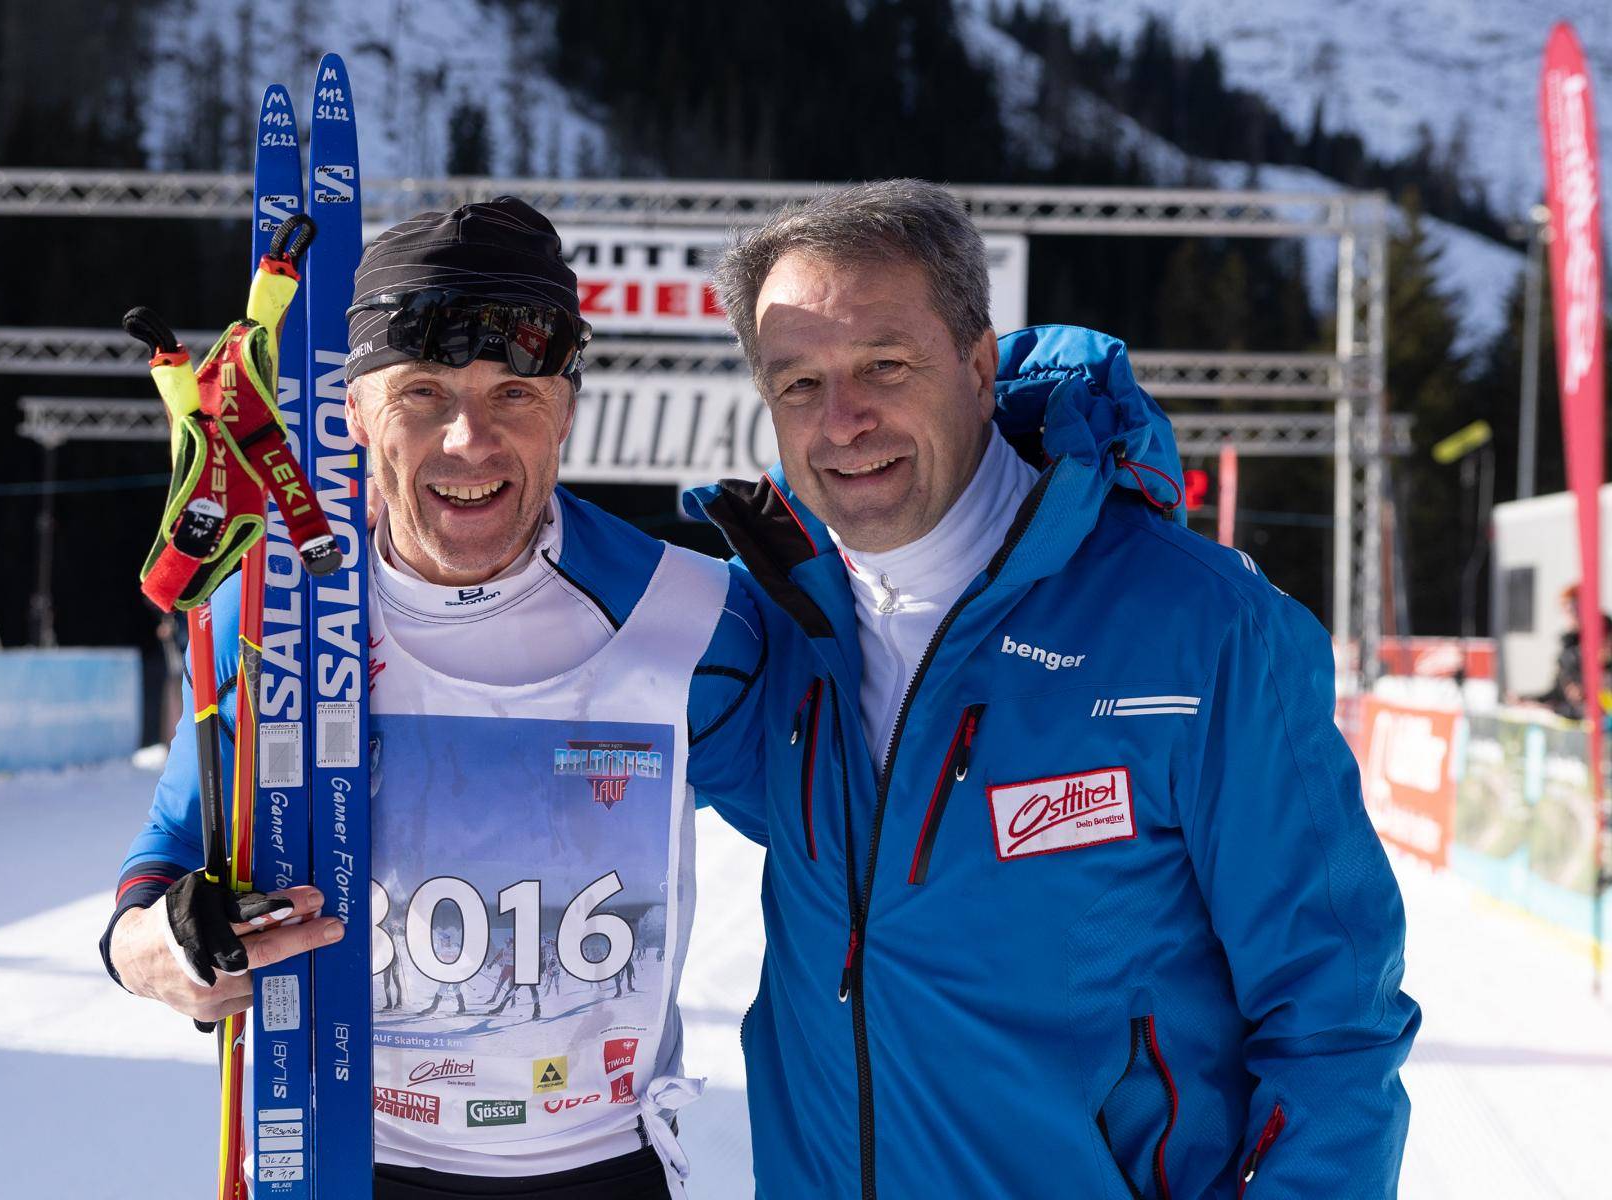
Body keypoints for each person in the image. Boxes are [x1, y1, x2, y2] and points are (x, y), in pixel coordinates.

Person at [686, 179, 1421, 1198]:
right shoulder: (763, 625)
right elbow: (545, 654)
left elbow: (1334, 1024)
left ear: (980, 367)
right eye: (798, 383)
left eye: (884, 367)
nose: (842, 420)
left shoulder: (1201, 630)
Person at [101, 196, 766, 1200]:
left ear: (569, 406)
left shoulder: (692, 612)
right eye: (422, 394)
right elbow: (156, 883)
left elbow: (856, 847)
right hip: (350, 1161)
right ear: (356, 410)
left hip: (596, 1167)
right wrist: (169, 950)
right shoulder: (265, 612)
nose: (470, 441)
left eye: (515, 394)